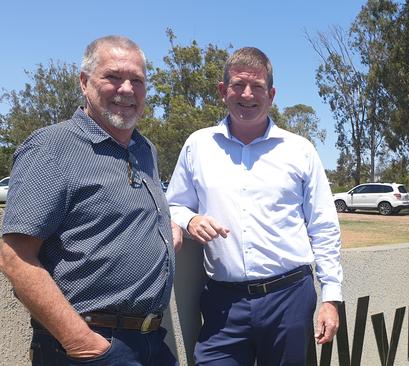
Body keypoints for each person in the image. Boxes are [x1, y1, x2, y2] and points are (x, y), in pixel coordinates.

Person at [0, 35, 182, 365]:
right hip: (89, 346)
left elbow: (115, 215)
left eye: (137, 80)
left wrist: (164, 229)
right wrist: (82, 343)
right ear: (84, 82)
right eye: (113, 76)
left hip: (152, 341)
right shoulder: (52, 148)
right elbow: (14, 257)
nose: (127, 89)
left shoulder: (145, 151)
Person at [166, 47, 343, 365]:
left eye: (257, 87)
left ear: (271, 94)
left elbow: (323, 225)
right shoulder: (198, 146)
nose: (247, 94)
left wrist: (331, 296)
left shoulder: (299, 150)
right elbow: (173, 205)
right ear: (223, 91)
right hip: (222, 303)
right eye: (238, 85)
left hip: (289, 298)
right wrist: (190, 221)